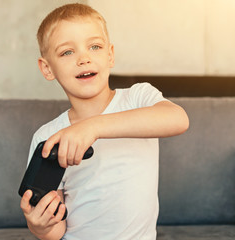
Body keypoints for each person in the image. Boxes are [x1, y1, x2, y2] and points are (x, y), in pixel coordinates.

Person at [20, 3, 189, 240]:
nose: (84, 58)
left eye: (95, 46)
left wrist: (92, 127)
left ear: (110, 55)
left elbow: (178, 119)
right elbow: (57, 230)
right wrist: (41, 226)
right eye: (67, 52)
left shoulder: (138, 97)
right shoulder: (48, 137)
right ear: (47, 69)